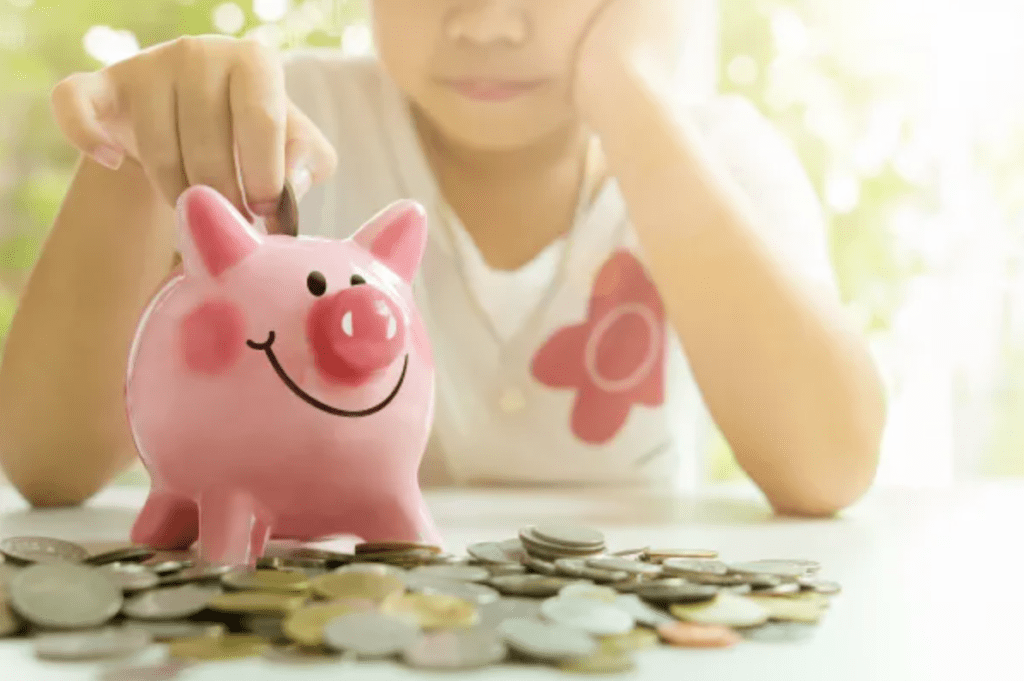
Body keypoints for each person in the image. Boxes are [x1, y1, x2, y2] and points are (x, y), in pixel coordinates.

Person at [0, 0, 886, 516]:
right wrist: (143, 158)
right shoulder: (275, 131)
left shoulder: (713, 156)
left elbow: (828, 467)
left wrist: (632, 87)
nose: (488, 22)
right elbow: (47, 462)